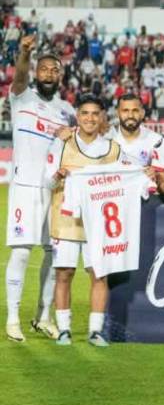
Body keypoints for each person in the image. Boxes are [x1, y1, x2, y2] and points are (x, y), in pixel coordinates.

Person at [5, 33, 75, 342]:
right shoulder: (22, 97)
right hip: (24, 187)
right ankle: (12, 319)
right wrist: (24, 52)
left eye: (54, 69)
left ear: (60, 75)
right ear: (37, 72)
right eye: (44, 68)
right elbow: (19, 76)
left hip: (56, 190)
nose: (49, 73)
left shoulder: (67, 110)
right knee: (21, 253)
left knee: (53, 252)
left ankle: (42, 316)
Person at [44, 96, 128, 346]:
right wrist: (57, 175)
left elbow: (127, 178)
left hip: (98, 223)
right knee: (64, 274)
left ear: (102, 116)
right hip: (66, 220)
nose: (90, 118)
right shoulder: (61, 144)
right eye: (85, 113)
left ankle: (95, 331)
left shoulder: (113, 149)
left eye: (95, 113)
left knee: (98, 275)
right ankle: (64, 331)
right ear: (77, 117)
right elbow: (46, 181)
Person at [106, 93, 162, 168]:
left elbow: (163, 174)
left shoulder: (156, 141)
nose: (130, 115)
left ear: (142, 113)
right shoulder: (106, 140)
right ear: (117, 113)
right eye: (125, 110)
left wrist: (155, 174)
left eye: (135, 110)